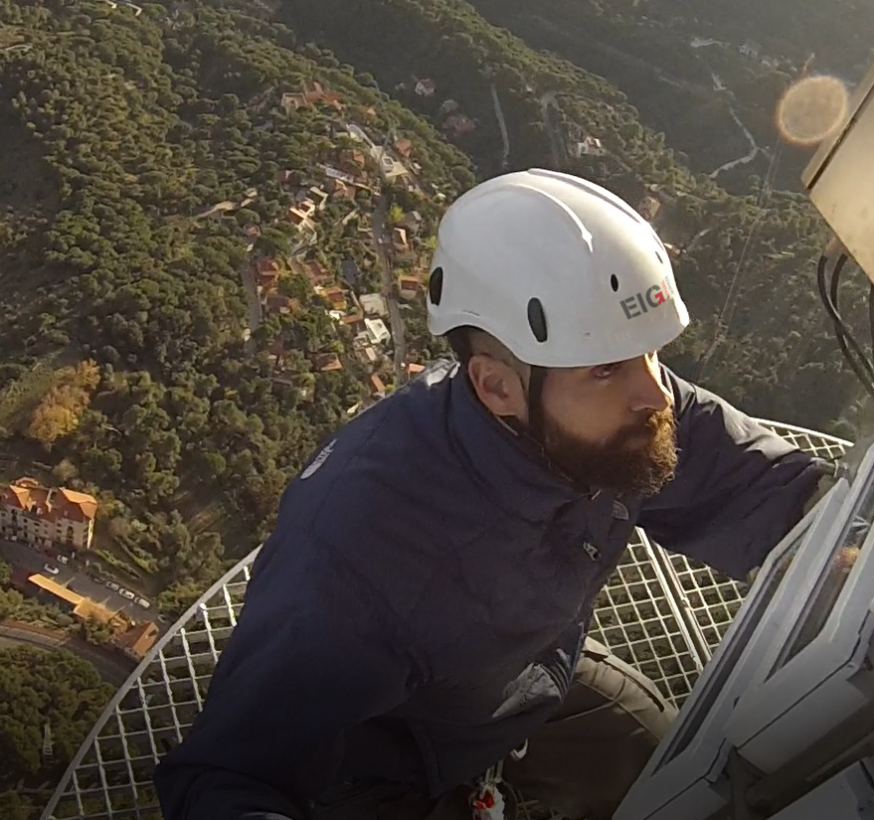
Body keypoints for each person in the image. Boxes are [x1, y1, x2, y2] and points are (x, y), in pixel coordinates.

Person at [153, 169, 829, 820]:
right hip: (378, 776)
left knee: (679, 778)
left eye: (650, 356)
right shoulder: (357, 551)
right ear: (497, 386)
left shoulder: (601, 413)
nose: (655, 394)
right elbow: (234, 775)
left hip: (525, 682)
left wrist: (843, 536)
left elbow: (751, 484)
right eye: (607, 369)